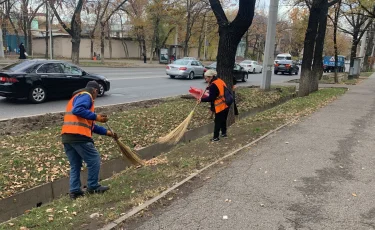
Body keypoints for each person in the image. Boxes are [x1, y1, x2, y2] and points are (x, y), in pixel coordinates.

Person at [61, 81, 117, 199]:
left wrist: (107, 133)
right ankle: (93, 186)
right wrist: (96, 116)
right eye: (97, 94)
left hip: (67, 137)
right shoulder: (87, 96)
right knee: (94, 159)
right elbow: (78, 110)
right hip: (79, 136)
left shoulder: (77, 97)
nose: (95, 98)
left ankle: (75, 191)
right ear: (95, 91)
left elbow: (90, 126)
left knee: (75, 164)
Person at [198, 69, 229, 142]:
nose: (205, 79)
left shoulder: (213, 85)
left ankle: (215, 138)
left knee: (217, 121)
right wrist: (210, 87)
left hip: (220, 106)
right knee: (223, 120)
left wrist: (201, 100)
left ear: (211, 77)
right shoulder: (220, 81)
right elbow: (219, 90)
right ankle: (224, 133)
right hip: (226, 104)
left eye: (206, 78)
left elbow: (211, 98)